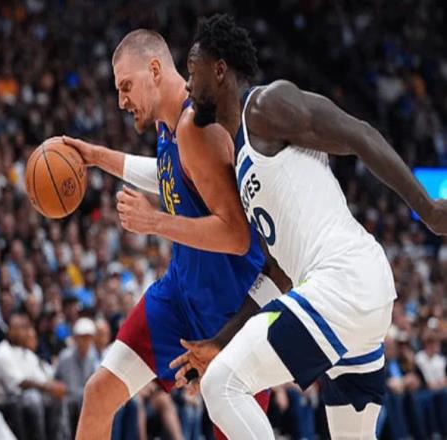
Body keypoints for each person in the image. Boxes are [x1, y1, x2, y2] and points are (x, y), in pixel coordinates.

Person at [141, 13, 447, 440]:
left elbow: (360, 135)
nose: (188, 86)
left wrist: (427, 210)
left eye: (192, 71)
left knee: (222, 384)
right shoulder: (241, 164)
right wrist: (219, 342)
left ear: (220, 69)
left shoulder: (266, 106)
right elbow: (277, 274)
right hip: (349, 300)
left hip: (343, 279)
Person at [61, 28, 285, 440]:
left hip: (230, 312)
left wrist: (155, 222)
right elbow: (170, 174)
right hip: (180, 294)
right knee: (99, 392)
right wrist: (96, 157)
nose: (121, 101)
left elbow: (237, 235)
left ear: (154, 70)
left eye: (126, 87)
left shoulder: (195, 127)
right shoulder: (169, 127)